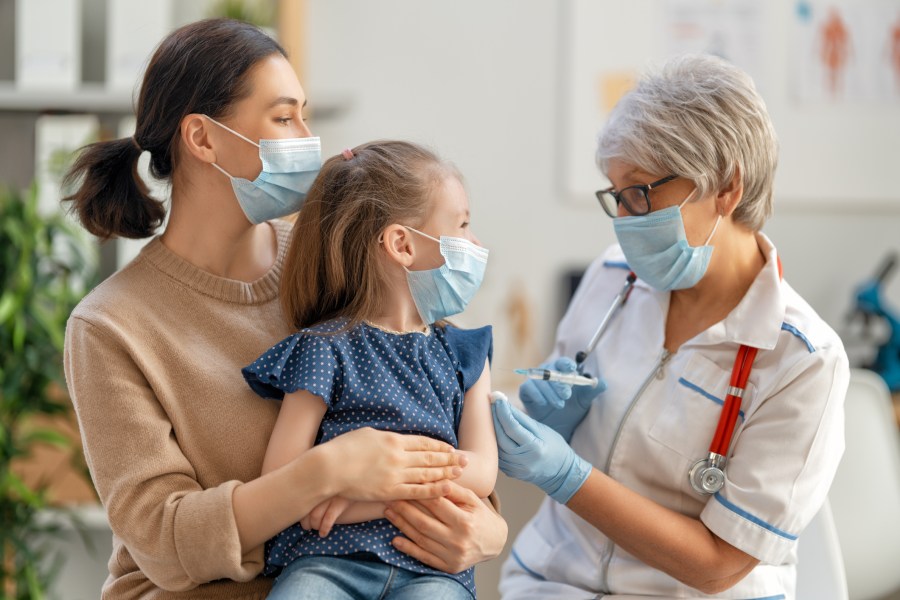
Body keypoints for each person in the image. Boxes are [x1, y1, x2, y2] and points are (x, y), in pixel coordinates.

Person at [62, 19, 506, 599]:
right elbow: (164, 544)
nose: (307, 136)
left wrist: (487, 531)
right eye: (283, 116)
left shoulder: (339, 254)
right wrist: (324, 472)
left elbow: (433, 402)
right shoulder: (111, 327)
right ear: (202, 138)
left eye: (305, 113)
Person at [491, 54, 848, 599]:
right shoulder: (613, 277)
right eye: (616, 195)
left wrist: (568, 476)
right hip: (552, 583)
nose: (625, 219)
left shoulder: (802, 359)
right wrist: (553, 422)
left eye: (641, 192)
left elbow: (718, 566)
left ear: (727, 187)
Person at [241, 140, 496, 599]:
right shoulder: (322, 349)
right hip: (326, 565)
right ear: (402, 244)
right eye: (462, 225)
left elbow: (481, 472)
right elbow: (281, 478)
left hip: (433, 573)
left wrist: (367, 497)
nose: (475, 244)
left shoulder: (466, 352)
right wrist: (421, 483)